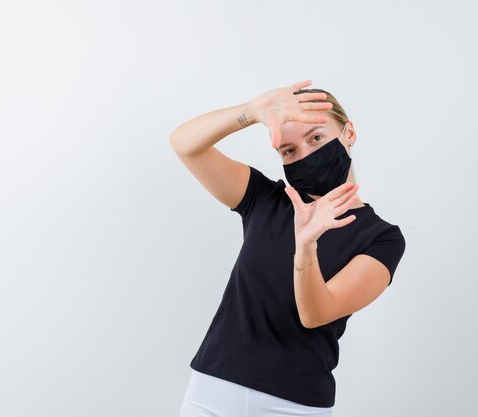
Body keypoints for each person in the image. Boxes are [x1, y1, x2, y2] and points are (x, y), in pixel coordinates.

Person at [169, 79, 406, 417]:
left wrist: (306, 245)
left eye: (317, 138)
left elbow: (316, 314)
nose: (306, 154)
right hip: (213, 391)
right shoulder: (264, 200)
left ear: (348, 134)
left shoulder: (381, 238)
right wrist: (251, 113)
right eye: (289, 150)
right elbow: (185, 145)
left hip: (295, 405)